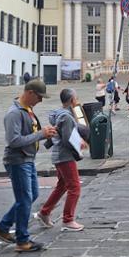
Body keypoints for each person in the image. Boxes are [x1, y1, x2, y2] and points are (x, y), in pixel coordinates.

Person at [0, 79, 57, 252]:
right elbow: (14, 141)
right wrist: (41, 134)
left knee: (31, 195)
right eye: (39, 97)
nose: (41, 101)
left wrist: (44, 134)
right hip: (17, 160)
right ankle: (22, 240)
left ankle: (2, 227)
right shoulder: (14, 113)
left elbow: (30, 135)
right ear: (30, 93)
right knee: (25, 199)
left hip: (27, 159)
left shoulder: (27, 110)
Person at [35, 89, 90, 232]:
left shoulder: (60, 114)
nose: (77, 101)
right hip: (64, 156)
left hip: (59, 155)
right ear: (72, 100)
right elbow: (67, 139)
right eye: (76, 99)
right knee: (75, 187)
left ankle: (44, 213)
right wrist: (79, 144)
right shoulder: (66, 117)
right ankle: (68, 220)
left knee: (62, 185)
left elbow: (67, 134)